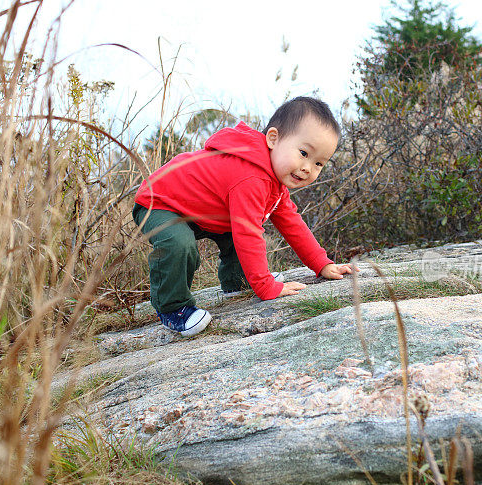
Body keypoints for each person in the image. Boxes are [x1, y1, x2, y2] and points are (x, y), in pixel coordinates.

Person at [133, 96, 354, 336]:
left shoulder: (273, 180)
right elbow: (248, 232)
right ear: (273, 139)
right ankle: (172, 308)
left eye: (319, 163)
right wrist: (265, 285)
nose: (307, 168)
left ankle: (237, 281)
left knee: (235, 226)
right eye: (303, 153)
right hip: (160, 202)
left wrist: (321, 264)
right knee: (178, 243)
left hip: (200, 210)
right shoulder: (251, 177)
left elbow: (292, 223)